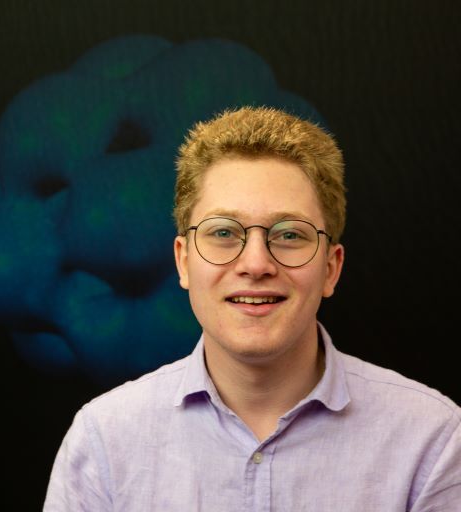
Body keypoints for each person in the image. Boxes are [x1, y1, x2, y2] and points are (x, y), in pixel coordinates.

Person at [44, 107, 460, 511]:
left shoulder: (431, 441)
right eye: (224, 232)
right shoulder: (104, 442)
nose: (256, 264)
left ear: (331, 268)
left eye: (289, 234)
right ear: (184, 262)